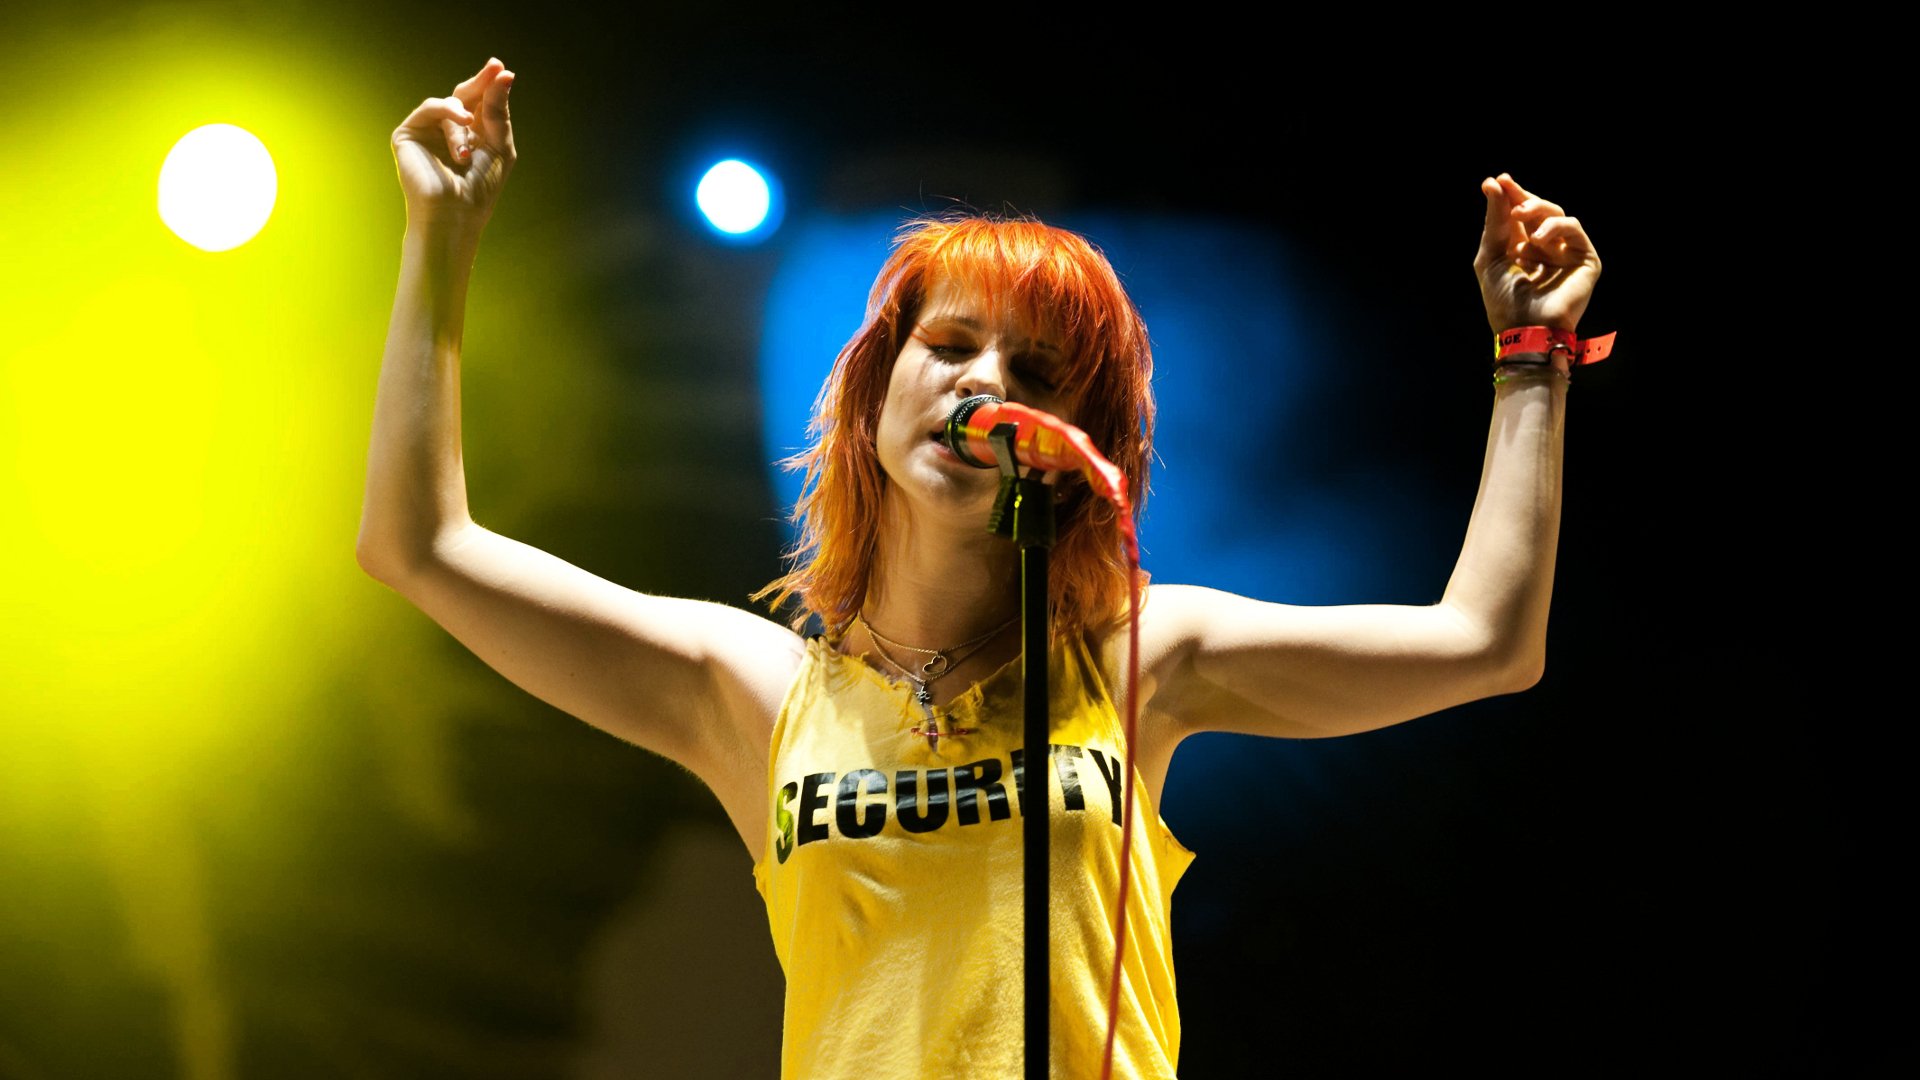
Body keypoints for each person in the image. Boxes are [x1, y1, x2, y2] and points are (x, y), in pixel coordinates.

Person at [359, 58, 1604, 1080]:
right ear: (875, 394)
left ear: (1077, 447)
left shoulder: (1142, 657)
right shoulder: (746, 688)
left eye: (1038, 372)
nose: (984, 384)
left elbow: (1488, 642)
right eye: (949, 343)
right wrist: (441, 233)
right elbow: (421, 546)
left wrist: (1533, 355)